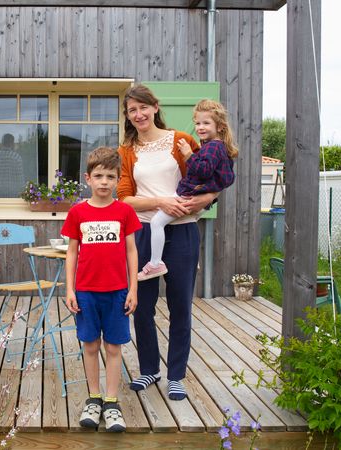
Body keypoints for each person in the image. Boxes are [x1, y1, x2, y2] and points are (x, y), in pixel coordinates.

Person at [116, 84, 218, 401]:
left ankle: (176, 375)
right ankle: (149, 370)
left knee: (180, 306)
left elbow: (209, 182)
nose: (139, 114)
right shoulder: (126, 152)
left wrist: (188, 205)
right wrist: (162, 201)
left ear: (155, 106)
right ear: (129, 116)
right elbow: (125, 199)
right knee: (142, 307)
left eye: (143, 107)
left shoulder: (181, 141)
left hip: (183, 232)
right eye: (132, 110)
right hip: (144, 234)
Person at [61, 147, 141, 432]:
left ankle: (111, 402)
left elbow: (131, 251)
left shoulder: (125, 212)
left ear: (118, 179)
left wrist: (133, 288)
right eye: (99, 176)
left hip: (118, 291)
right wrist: (69, 289)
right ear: (88, 178)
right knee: (91, 345)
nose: (104, 181)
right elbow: (72, 252)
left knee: (114, 346)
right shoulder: (78, 212)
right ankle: (94, 399)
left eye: (110, 176)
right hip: (86, 291)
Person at [137, 99, 238, 281]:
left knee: (157, 223)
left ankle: (155, 263)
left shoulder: (212, 147)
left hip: (189, 193)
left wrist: (188, 154)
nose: (200, 127)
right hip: (194, 196)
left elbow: (203, 170)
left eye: (206, 123)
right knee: (174, 220)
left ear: (220, 127)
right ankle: (190, 259)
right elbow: (225, 176)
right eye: (198, 123)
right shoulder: (216, 146)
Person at [0, 133, 25, 198]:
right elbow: (20, 180)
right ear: (12, 143)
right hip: (12, 195)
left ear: (2, 143)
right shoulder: (16, 157)